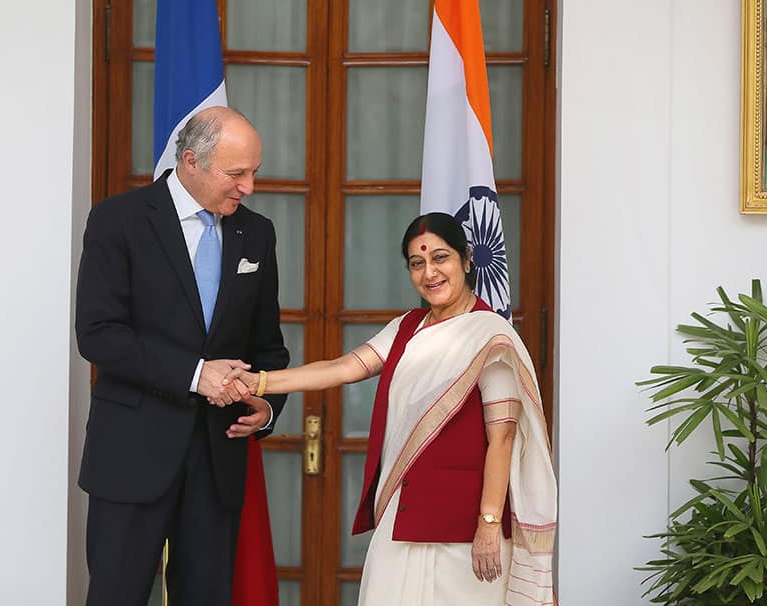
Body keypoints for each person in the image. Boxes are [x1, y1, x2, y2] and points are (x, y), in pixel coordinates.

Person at [224, 212, 557, 606]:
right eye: (418, 263)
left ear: (467, 259)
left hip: (464, 524)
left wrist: (488, 523)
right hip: (404, 510)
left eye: (440, 258)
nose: (430, 273)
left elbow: (502, 438)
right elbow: (343, 368)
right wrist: (259, 382)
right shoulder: (407, 327)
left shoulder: (490, 335)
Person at [75, 106, 289, 606]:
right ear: (191, 161)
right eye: (237, 174)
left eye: (254, 172)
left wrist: (266, 404)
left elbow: (268, 346)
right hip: (131, 454)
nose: (249, 187)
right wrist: (196, 375)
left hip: (217, 462)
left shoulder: (257, 234)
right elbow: (98, 335)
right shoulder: (117, 221)